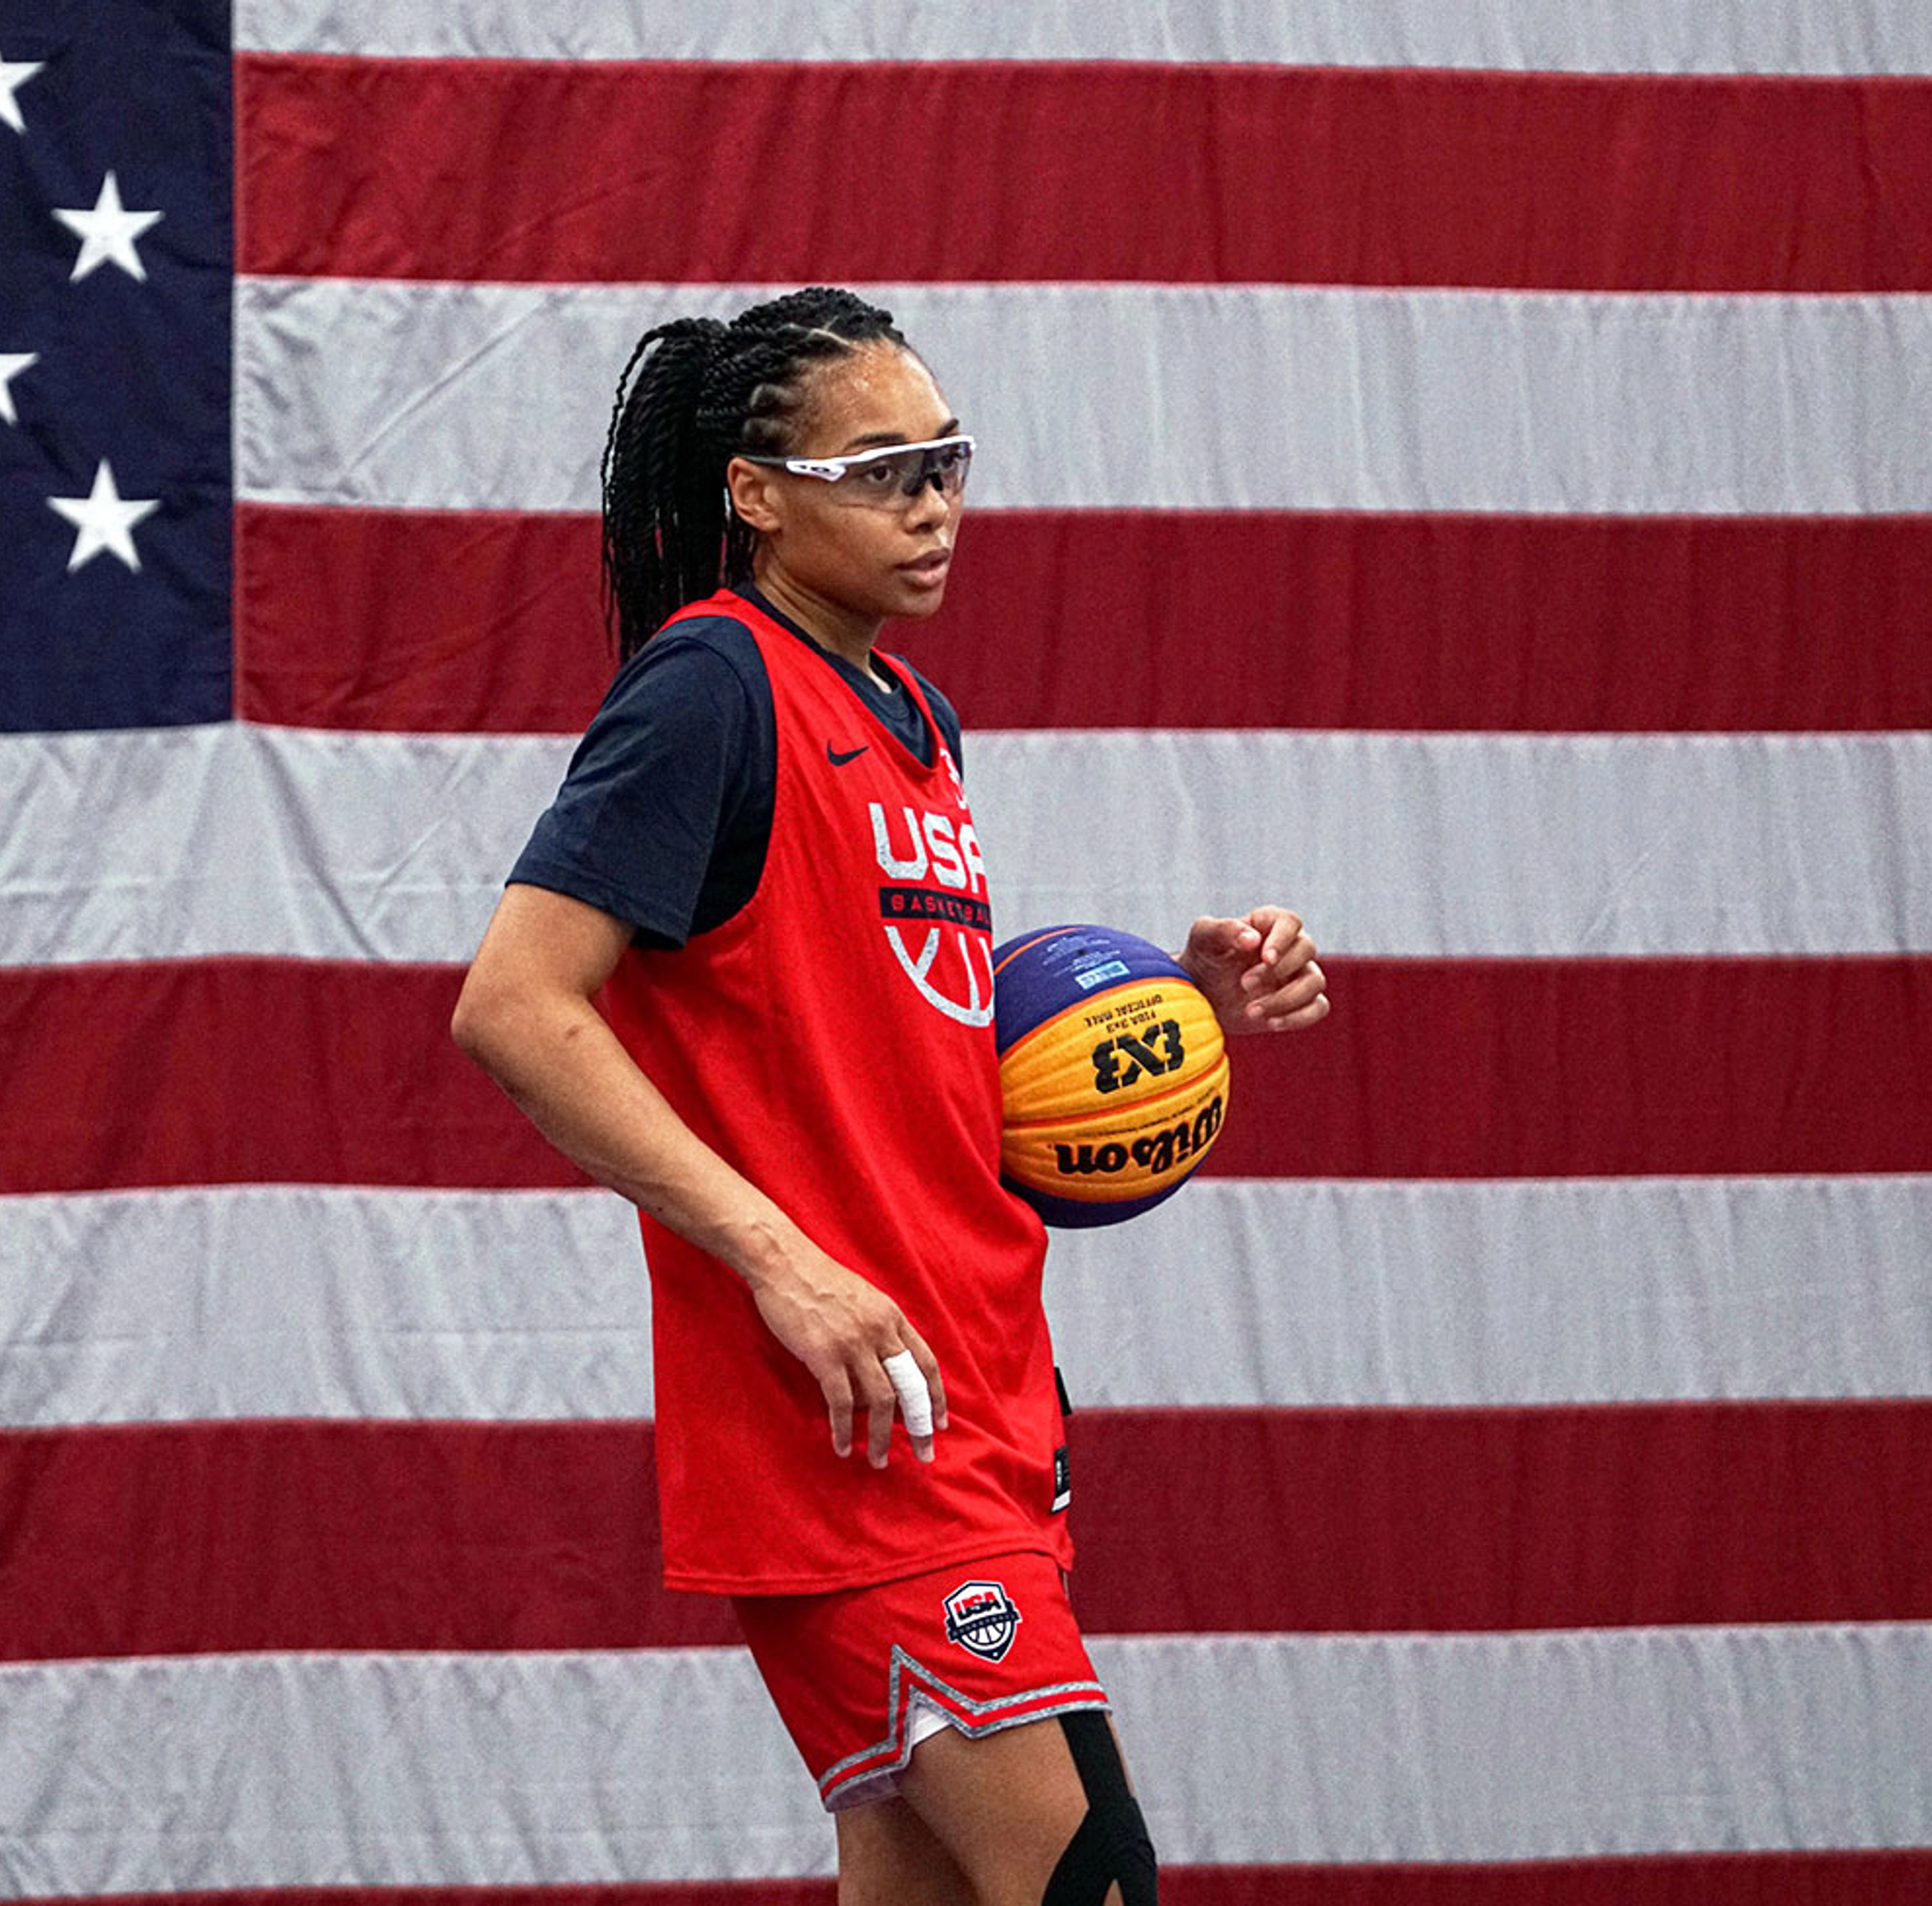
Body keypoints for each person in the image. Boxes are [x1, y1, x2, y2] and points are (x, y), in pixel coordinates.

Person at [450, 287, 1330, 1906]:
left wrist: (1180, 1011)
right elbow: (513, 1003)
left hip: (982, 1395)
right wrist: (780, 1259)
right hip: (852, 1431)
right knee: (1089, 1880)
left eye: (946, 461)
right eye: (879, 470)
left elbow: (910, 1062)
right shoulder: (713, 684)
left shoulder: (918, 717)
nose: (931, 505)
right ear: (757, 494)